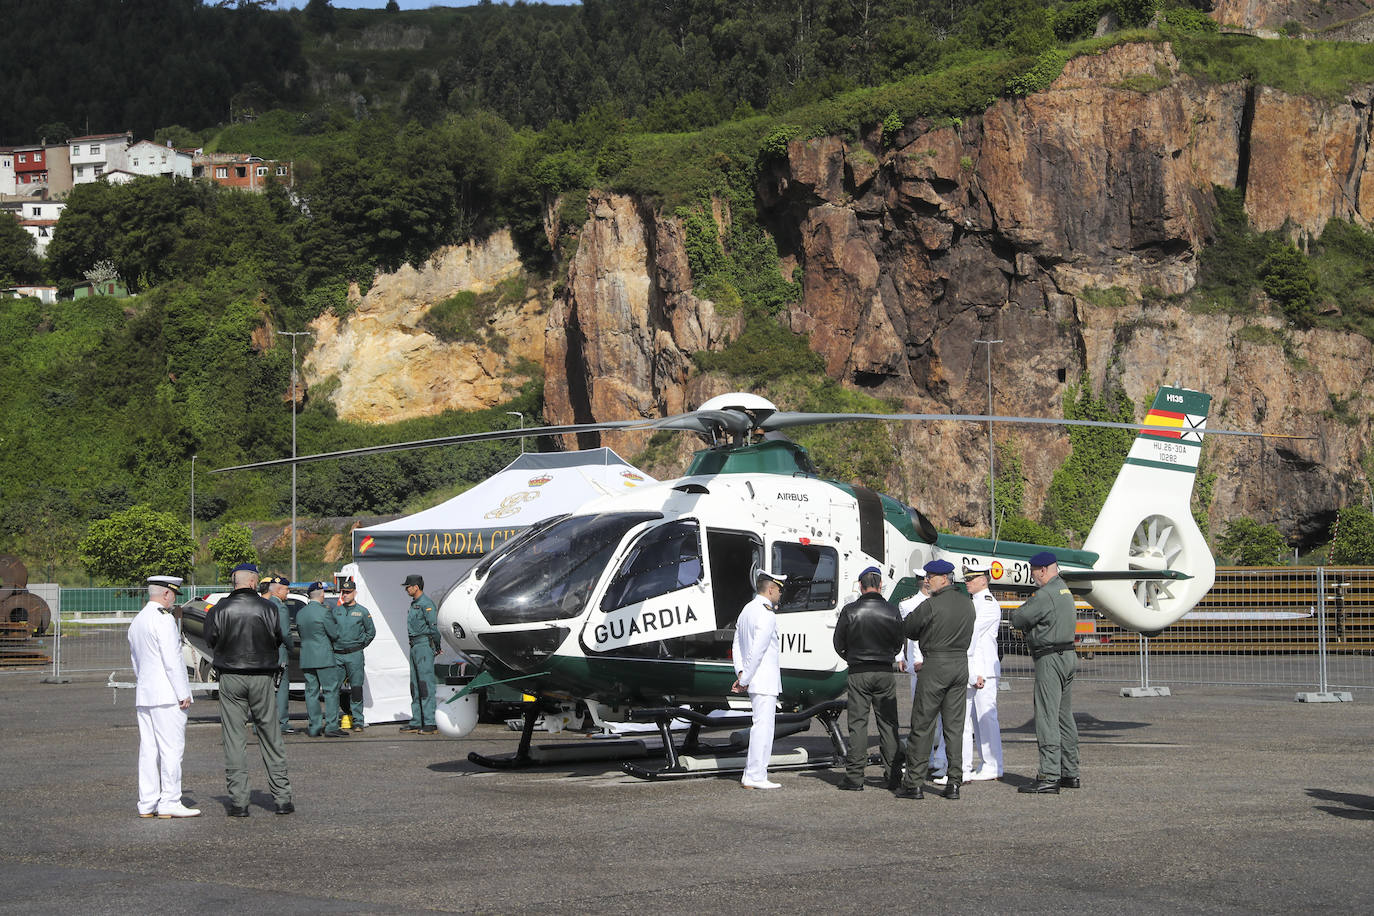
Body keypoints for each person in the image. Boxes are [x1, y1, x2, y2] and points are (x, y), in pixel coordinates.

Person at [205, 563, 294, 817]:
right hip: (262, 676)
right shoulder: (269, 607)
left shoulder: (219, 608)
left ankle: (239, 802)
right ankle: (282, 798)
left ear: (234, 582)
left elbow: (210, 639)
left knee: (234, 739)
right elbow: (279, 637)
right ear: (254, 582)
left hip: (231, 676)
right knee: (271, 736)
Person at [895, 559, 974, 800]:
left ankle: (914, 783)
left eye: (930, 577)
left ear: (943, 578)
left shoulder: (931, 605)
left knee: (922, 724)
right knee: (954, 727)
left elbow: (908, 628)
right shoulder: (967, 604)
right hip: (960, 665)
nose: (926, 581)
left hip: (936, 664)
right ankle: (954, 782)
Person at [128, 574, 199, 818]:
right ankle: (170, 800)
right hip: (167, 694)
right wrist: (183, 692)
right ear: (166, 593)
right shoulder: (163, 620)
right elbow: (172, 660)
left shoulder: (137, 620)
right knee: (171, 750)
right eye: (173, 595)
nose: (173, 601)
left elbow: (136, 662)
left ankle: (147, 803)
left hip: (146, 693)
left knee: (148, 750)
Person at [1011, 551, 1080, 794]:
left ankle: (1049, 774)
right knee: (1064, 716)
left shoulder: (1045, 594)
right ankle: (1070, 772)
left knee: (1046, 717)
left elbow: (1018, 618)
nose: (1033, 577)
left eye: (1033, 572)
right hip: (1068, 656)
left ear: (1042, 570)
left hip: (1050, 658)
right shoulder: (1064, 590)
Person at [832, 566, 903, 791]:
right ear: (880, 585)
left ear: (860, 586)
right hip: (884, 671)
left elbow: (838, 643)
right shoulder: (892, 610)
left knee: (858, 724)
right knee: (888, 724)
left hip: (858, 671)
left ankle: (855, 777)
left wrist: (851, 656)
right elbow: (898, 642)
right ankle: (893, 775)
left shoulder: (850, 610)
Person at [731, 568, 786, 790]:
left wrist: (741, 673)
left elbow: (736, 644)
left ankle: (752, 774)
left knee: (760, 726)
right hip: (763, 680)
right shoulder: (766, 614)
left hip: (753, 678)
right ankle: (756, 775)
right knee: (763, 728)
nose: (780, 595)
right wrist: (745, 678)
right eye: (779, 591)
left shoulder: (747, 610)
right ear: (771, 589)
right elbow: (758, 649)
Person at [897, 578, 947, 780]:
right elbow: (909, 635)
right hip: (921, 667)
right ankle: (925, 760)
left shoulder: (942, 605)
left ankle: (937, 760)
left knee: (937, 718)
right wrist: (906, 658)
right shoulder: (911, 604)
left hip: (936, 666)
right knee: (922, 715)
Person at [961, 564, 1004, 781]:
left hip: (983, 669)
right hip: (976, 668)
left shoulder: (986, 604)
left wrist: (972, 669)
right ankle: (986, 763)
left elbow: (972, 635)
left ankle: (993, 765)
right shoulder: (974, 602)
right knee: (976, 721)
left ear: (984, 580)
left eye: (972, 578)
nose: (967, 581)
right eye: (966, 578)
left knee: (987, 719)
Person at [296, 581, 348, 738]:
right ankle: (331, 726)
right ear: (322, 595)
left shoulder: (301, 613)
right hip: (324, 656)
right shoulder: (324, 612)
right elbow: (334, 634)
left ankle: (314, 727)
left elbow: (300, 633)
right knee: (331, 691)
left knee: (311, 692)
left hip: (307, 656)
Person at [332, 576, 375, 731]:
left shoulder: (362, 612)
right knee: (334, 688)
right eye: (343, 592)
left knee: (356, 687)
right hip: (337, 654)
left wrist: (359, 645)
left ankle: (358, 720)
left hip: (354, 654)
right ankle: (332, 719)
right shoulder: (336, 611)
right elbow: (330, 631)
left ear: (354, 593)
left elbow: (371, 632)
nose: (345, 595)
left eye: (348, 592)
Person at [401, 574, 439, 735]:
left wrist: (437, 645)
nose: (406, 589)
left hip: (424, 645)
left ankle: (430, 722)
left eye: (408, 586)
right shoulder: (415, 604)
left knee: (425, 684)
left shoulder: (426, 604)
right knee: (415, 685)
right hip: (414, 645)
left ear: (416, 587)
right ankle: (417, 720)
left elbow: (434, 627)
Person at [263, 574, 295, 736]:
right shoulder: (280, 607)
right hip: (279, 653)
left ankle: (260, 723)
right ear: (278, 590)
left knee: (264, 690)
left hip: (264, 653)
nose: (288, 593)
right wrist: (291, 648)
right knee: (282, 688)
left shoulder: (263, 604)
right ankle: (282, 722)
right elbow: (285, 634)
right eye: (286, 589)